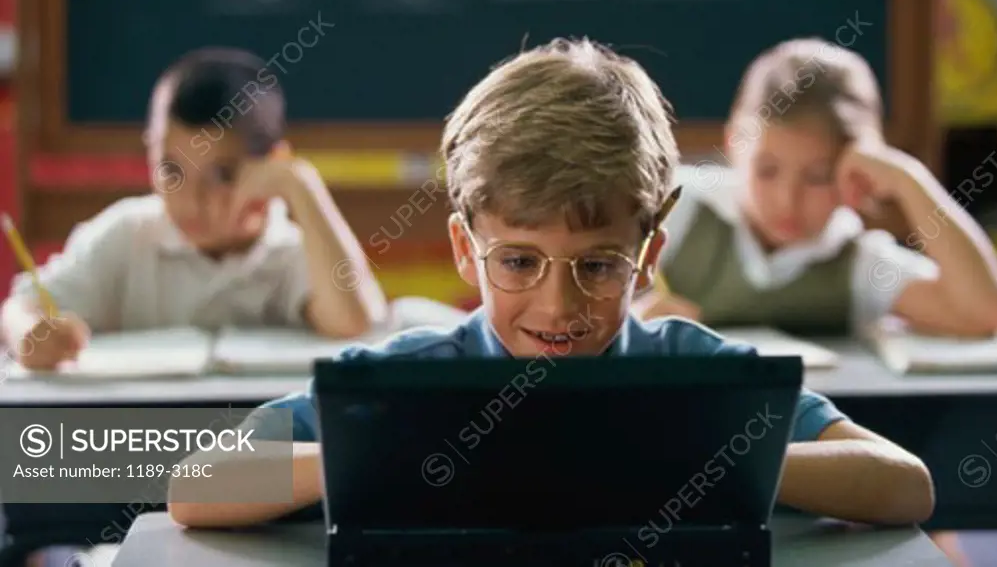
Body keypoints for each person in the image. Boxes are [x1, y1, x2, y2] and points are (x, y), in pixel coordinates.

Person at [166, 37, 934, 529]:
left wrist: (702, 453)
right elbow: (195, 487)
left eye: (598, 264)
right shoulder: (404, 383)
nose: (559, 304)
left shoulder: (696, 377)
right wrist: (382, 450)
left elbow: (906, 487)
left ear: (648, 252)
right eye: (520, 260)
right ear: (467, 251)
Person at [0, 47, 388, 369]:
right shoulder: (126, 235)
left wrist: (301, 184)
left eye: (221, 175)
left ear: (270, 166)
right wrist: (29, 336)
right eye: (171, 171)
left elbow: (354, 324)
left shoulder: (291, 252)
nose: (190, 200)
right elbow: (19, 308)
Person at [636, 38, 997, 337]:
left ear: (856, 168)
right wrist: (632, 316)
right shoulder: (675, 207)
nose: (788, 200)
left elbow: (984, 312)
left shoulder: (858, 263)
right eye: (767, 171)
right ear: (735, 143)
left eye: (818, 177)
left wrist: (909, 179)